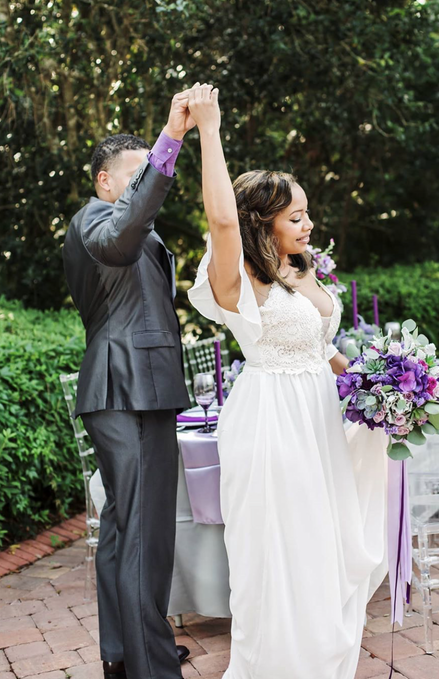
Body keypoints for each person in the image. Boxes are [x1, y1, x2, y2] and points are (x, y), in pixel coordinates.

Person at [187, 85, 389, 678]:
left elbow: (320, 345)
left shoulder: (298, 269)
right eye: (295, 215)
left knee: (323, 546)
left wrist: (376, 390)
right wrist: (209, 127)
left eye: (306, 213)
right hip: (272, 420)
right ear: (261, 223)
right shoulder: (236, 282)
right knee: (280, 549)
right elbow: (222, 216)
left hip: (319, 417)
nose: (308, 223)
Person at [62, 89, 195, 679]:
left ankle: (126, 653)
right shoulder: (96, 221)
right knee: (144, 529)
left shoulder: (131, 228)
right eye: (136, 177)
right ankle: (153, 668)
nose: (147, 187)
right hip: (126, 388)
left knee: (123, 528)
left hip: (135, 387)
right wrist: (169, 143)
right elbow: (123, 237)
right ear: (105, 183)